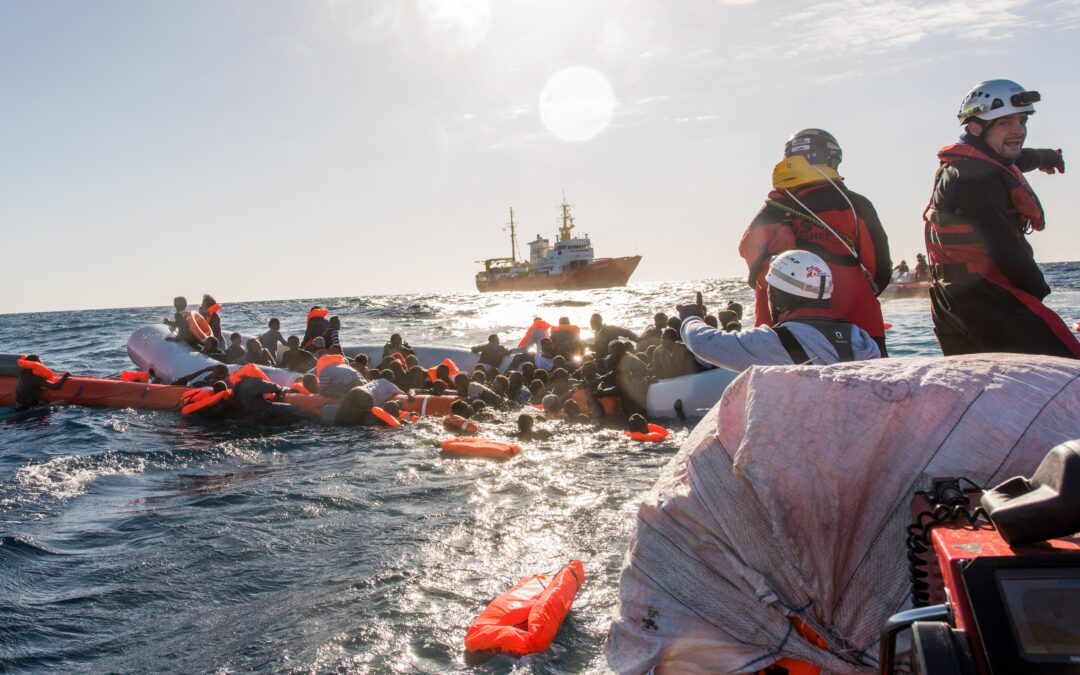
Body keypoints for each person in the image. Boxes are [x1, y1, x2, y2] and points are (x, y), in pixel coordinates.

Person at [924, 79, 1079, 358]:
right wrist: (1037, 293)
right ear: (975, 127)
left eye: (1022, 121)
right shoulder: (974, 179)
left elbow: (1019, 160)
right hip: (989, 298)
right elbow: (1003, 246)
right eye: (1005, 123)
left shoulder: (975, 162)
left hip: (950, 300)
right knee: (1069, 370)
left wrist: (1048, 158)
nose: (1018, 129)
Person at [739, 128, 892, 355]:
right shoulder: (853, 205)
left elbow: (752, 267)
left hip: (780, 338)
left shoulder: (766, 213)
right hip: (854, 328)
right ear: (830, 160)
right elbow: (879, 270)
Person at [678, 250, 881, 370]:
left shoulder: (774, 342)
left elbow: (702, 342)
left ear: (776, 295)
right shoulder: (860, 338)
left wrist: (691, 318)